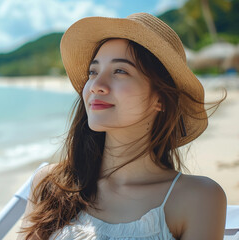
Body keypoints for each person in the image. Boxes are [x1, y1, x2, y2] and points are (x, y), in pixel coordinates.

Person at [17, 13, 227, 240]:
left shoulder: (197, 198)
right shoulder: (51, 184)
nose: (96, 85)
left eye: (120, 71)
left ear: (161, 99)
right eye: (93, 72)